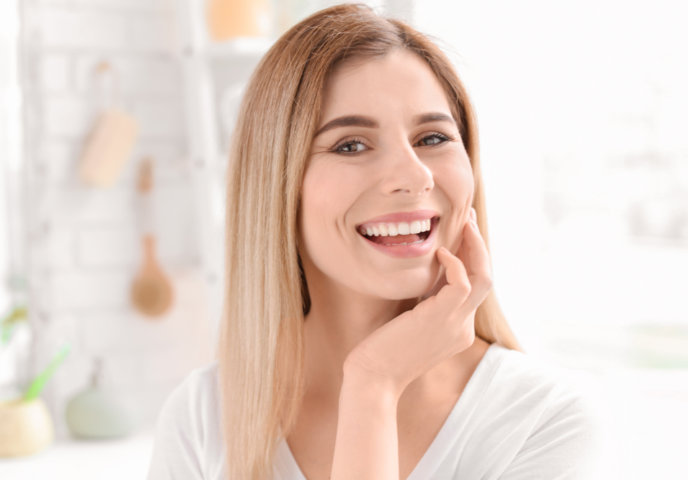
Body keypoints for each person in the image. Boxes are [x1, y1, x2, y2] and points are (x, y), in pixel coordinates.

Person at [147, 4, 600, 479]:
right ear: (276, 185)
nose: (413, 175)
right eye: (350, 145)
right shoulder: (203, 418)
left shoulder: (543, 421)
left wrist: (374, 384)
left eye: (432, 138)